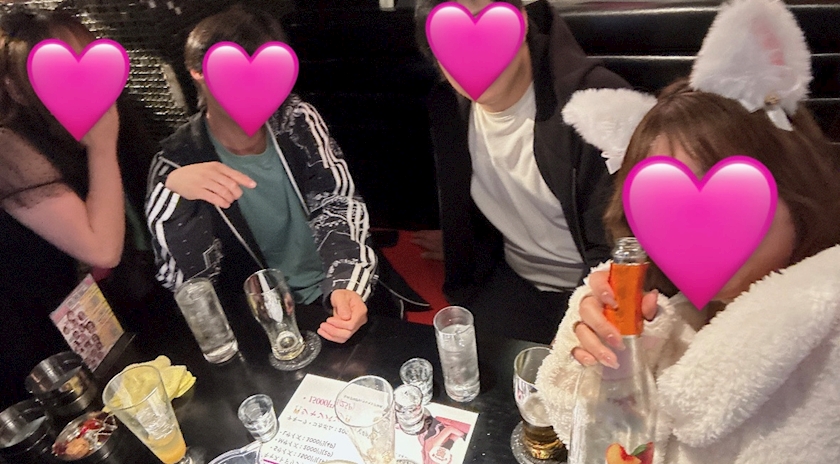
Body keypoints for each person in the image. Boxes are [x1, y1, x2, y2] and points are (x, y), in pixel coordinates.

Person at [536, 0, 840, 461]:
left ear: (793, 183)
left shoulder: (825, 341)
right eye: (664, 207)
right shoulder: (672, 317)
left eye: (730, 195)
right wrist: (606, 357)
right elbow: (584, 426)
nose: (694, 233)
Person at [145, 5, 377, 344]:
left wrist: (347, 283)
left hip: (331, 291)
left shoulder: (296, 120)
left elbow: (337, 202)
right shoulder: (176, 162)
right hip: (259, 318)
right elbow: (187, 284)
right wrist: (174, 199)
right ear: (198, 72)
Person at [413, 0, 631, 343]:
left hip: (592, 288)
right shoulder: (448, 107)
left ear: (522, 20)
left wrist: (593, 302)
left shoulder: (597, 104)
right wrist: (462, 242)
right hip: (511, 281)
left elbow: (626, 242)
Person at [0, 7, 129, 408]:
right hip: (29, 330)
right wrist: (102, 145)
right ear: (15, 87)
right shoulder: (8, 146)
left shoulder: (75, 123)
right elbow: (102, 248)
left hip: (80, 308)